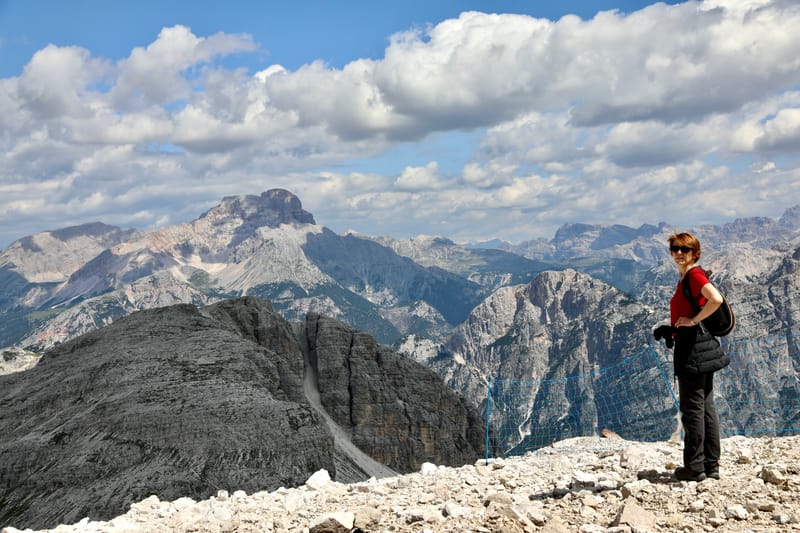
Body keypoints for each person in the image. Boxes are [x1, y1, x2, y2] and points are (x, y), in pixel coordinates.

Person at [666, 232, 730, 482]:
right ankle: (711, 464)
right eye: (675, 249)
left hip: (693, 349)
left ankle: (694, 467)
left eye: (685, 249)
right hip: (703, 346)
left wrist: (692, 321)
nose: (679, 253)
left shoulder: (693, 275)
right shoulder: (687, 276)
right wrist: (673, 328)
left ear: (695, 253)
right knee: (705, 407)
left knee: (692, 409)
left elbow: (716, 299)